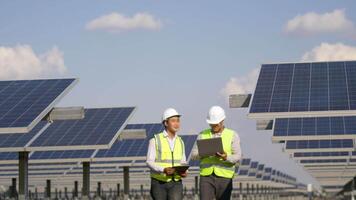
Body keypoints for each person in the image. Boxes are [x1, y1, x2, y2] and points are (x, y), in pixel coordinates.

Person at [191, 106, 242, 200]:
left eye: (216, 124)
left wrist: (226, 157)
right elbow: (193, 155)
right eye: (211, 124)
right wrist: (206, 152)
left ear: (222, 121)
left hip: (225, 177)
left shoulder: (232, 135)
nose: (213, 126)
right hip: (206, 177)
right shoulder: (202, 134)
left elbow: (237, 156)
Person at [146, 108, 188, 200]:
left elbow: (183, 161)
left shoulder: (181, 142)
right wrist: (163, 169)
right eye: (173, 121)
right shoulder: (155, 140)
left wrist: (185, 171)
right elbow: (149, 161)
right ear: (165, 123)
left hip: (176, 182)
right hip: (159, 183)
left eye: (178, 121)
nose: (177, 123)